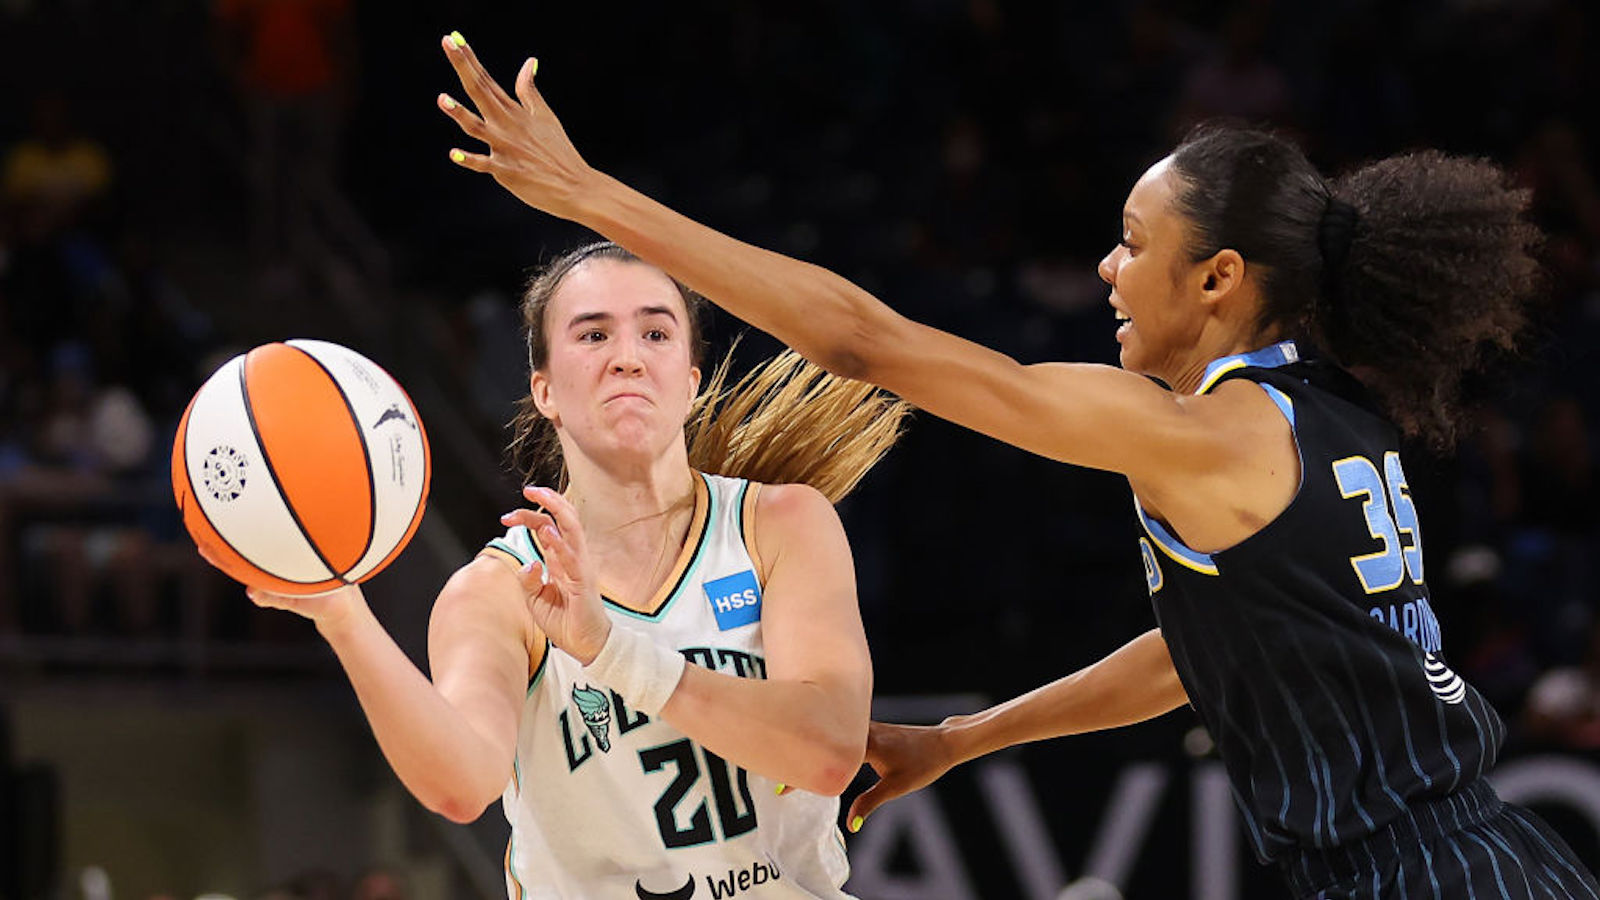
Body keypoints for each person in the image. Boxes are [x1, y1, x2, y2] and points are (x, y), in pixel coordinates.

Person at [435, 31, 1599, 898]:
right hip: (1474, 854)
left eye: (1133, 244)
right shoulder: (1329, 413)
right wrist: (960, 739)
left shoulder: (1203, 433)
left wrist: (591, 198)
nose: (1104, 267)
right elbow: (1201, 651)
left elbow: (862, 343)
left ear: (1218, 280)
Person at [228, 241, 907, 898]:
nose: (627, 359)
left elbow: (827, 749)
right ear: (544, 391)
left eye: (656, 334)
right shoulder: (497, 592)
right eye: (592, 336)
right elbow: (461, 785)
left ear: (692, 382)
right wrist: (346, 620)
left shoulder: (780, 525)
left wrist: (609, 651)